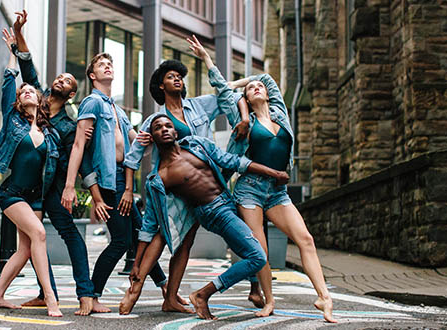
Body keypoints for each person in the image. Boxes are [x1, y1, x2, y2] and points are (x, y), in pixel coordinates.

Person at [119, 36, 248, 311]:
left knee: (185, 241)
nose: (177, 79)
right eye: (170, 76)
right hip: (169, 185)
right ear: (160, 85)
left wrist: (207, 60)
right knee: (160, 235)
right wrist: (129, 190)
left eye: (179, 76)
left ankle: (169, 298)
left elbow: (229, 95)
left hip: (198, 184)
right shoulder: (154, 121)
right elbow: (132, 157)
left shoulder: (199, 106)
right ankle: (136, 288)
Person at [128, 114, 288, 320]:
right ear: (152, 136)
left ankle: (253, 290)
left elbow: (232, 161)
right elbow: (149, 225)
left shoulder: (197, 145)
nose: (165, 129)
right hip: (213, 212)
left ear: (176, 132)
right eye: (158, 128)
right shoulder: (159, 178)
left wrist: (273, 173)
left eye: (168, 125)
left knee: (253, 254)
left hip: (228, 202)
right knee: (257, 257)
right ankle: (202, 295)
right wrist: (136, 264)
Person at [221, 63, 337, 323]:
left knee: (305, 239)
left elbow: (265, 76)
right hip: (249, 191)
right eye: (251, 89)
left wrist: (239, 83)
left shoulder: (279, 112)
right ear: (247, 100)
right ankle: (269, 299)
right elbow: (230, 157)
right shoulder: (246, 125)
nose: (257, 87)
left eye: (259, 86)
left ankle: (324, 297)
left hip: (277, 192)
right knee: (260, 250)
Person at [60, 52, 168, 313]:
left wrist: (158, 131)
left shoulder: (117, 109)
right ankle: (92, 295)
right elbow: (79, 147)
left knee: (140, 237)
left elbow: (137, 139)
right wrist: (72, 186)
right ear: (92, 75)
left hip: (123, 177)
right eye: (101, 65)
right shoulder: (91, 103)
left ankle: (165, 287)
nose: (107, 66)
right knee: (122, 240)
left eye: (110, 64)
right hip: (110, 183)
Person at [7, 10, 95, 316]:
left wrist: (77, 190)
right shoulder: (38, 101)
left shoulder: (71, 127)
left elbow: (77, 159)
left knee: (71, 235)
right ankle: (48, 294)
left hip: (54, 188)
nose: (59, 80)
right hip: (28, 186)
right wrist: (19, 30)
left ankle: (85, 293)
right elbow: (26, 63)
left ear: (71, 94)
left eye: (66, 80)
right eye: (58, 76)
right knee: (34, 239)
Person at [0, 28, 62, 317]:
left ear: (39, 99)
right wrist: (12, 53)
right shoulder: (12, 120)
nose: (27, 90)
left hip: (36, 198)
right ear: (17, 101)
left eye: (31, 89)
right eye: (23, 91)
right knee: (39, 234)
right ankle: (50, 298)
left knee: (26, 249)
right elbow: (9, 82)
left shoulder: (47, 129)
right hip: (12, 194)